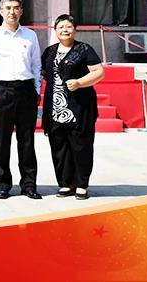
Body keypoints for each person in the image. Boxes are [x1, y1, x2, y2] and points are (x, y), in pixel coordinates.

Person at [0, 0, 43, 200]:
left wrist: (36, 90)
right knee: (2, 140)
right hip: (2, 91)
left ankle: (29, 184)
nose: (12, 12)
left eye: (16, 8)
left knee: (27, 140)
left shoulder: (30, 36)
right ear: (1, 11)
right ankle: (2, 184)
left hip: (26, 90)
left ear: (21, 11)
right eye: (8, 8)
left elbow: (36, 65)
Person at [41, 14, 105, 200]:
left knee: (81, 146)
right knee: (59, 147)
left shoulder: (84, 49)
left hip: (79, 106)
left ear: (75, 29)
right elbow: (44, 73)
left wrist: (79, 82)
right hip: (55, 107)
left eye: (68, 26)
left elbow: (99, 72)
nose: (65, 30)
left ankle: (81, 184)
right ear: (55, 30)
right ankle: (65, 183)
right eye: (60, 27)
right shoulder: (49, 51)